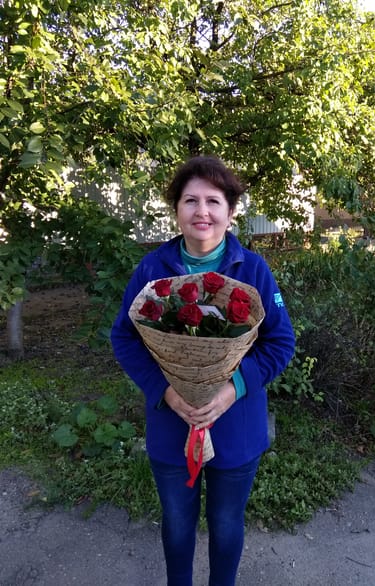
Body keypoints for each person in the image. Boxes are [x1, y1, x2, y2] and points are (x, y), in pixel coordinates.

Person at [111, 155, 295, 586]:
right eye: (190, 200)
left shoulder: (253, 270)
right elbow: (124, 338)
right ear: (176, 208)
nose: (202, 212)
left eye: (213, 201)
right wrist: (167, 392)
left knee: (227, 523)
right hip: (171, 426)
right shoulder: (152, 270)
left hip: (235, 426)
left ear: (231, 211)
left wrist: (232, 389)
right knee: (176, 523)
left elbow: (280, 342)